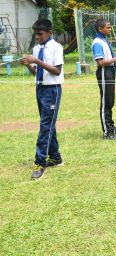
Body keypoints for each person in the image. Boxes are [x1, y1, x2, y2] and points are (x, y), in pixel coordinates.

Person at [20, 19, 65, 180]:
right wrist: (28, 64)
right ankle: (55, 157)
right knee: (48, 123)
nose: (37, 37)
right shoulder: (36, 48)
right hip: (40, 88)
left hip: (52, 89)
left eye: (40, 34)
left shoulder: (56, 47)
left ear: (49, 32)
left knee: (46, 125)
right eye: (35, 34)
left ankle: (40, 162)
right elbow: (36, 72)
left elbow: (57, 71)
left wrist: (36, 60)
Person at [92, 19, 116, 140]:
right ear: (100, 29)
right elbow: (100, 62)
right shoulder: (97, 42)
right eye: (107, 27)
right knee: (105, 102)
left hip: (109, 71)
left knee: (110, 101)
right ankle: (107, 132)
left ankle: (111, 126)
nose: (110, 29)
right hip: (104, 72)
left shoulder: (104, 40)